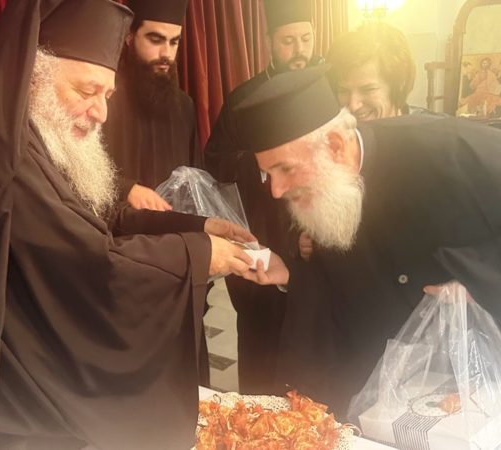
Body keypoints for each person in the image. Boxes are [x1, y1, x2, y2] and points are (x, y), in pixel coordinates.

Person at [0, 1, 257, 449]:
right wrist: (199, 256)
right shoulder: (0, 160)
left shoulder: (31, 136)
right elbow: (86, 261)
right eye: (87, 91)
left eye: (107, 95)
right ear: (34, 76)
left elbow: (96, 216)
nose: (101, 113)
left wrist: (196, 226)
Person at [233, 66, 501, 420]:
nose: (277, 190)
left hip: (463, 378)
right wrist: (292, 275)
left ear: (335, 145)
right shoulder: (315, 185)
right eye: (268, 173)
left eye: (285, 169)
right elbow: (337, 281)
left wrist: (480, 280)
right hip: (377, 383)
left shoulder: (449, 148)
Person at [203, 0, 320, 395]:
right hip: (262, 236)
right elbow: (215, 161)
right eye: (288, 41)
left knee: (311, 342)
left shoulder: (325, 91)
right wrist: (262, 161)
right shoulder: (243, 100)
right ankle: (255, 416)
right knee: (258, 344)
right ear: (270, 42)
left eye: (306, 39)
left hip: (312, 237)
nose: (299, 50)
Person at [104, 0, 201, 212]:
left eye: (174, 42)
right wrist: (126, 189)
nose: (166, 53)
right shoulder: (102, 97)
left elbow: (196, 183)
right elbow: (76, 173)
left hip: (177, 229)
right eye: (155, 40)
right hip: (113, 228)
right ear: (129, 36)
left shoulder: (185, 107)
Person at [326, 22, 416, 121]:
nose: (353, 106)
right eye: (343, 90)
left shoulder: (426, 130)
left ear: (399, 86)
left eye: (368, 89)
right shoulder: (334, 128)